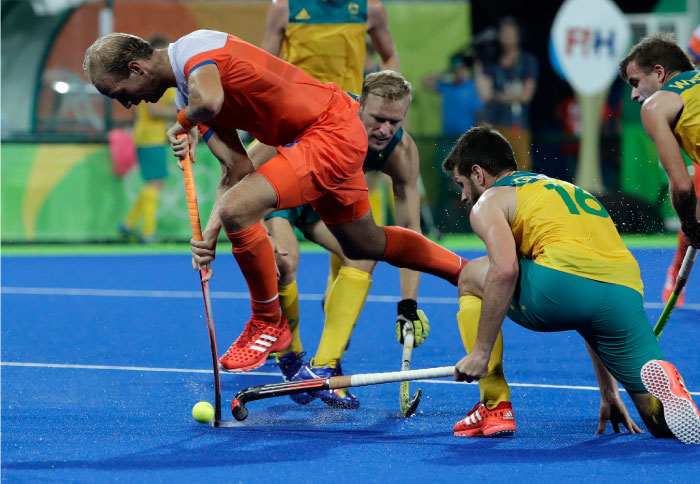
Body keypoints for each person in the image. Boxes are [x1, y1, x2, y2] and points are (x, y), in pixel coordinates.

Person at [83, 30, 467, 374]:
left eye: (119, 95)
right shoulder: (190, 93)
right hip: (323, 137)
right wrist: (209, 238)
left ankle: (269, 322)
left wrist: (182, 122)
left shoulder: (194, 50)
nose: (127, 106)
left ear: (136, 69)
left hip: (328, 131)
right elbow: (236, 170)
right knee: (363, 243)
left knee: (241, 209)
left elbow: (211, 102)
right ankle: (464, 271)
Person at [443, 125, 700, 443]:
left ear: (478, 174)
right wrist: (608, 391)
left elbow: (505, 270)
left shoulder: (490, 200)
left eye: (462, 184)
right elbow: (586, 303)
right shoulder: (566, 189)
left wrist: (480, 353)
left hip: (559, 286)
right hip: (624, 288)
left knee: (470, 277)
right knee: (660, 424)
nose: (465, 196)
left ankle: (494, 405)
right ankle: (672, 395)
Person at [248, 71, 430, 409]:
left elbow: (410, 234)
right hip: (281, 195)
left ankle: (325, 367)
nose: (386, 129)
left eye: (395, 120)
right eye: (378, 118)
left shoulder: (400, 151)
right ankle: (290, 361)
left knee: (365, 253)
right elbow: (249, 161)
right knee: (284, 259)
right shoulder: (321, 111)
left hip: (325, 206)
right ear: (359, 105)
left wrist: (409, 305)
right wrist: (239, 218)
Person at [619, 33, 700, 309]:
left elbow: (683, 187)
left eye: (635, 83)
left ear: (659, 72)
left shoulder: (656, 105)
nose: (633, 95)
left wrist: (690, 228)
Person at [119, 36, 176, 243]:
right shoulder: (153, 78)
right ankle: (148, 232)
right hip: (150, 137)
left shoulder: (148, 77)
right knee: (155, 183)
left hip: (148, 137)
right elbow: (154, 111)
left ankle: (129, 224)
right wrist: (180, 111)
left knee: (153, 182)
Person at [475, 17, 538, 172]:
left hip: (517, 125)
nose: (507, 36)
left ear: (518, 36)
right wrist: (477, 61)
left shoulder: (527, 61)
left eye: (511, 32)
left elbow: (526, 96)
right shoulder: (492, 63)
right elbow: (485, 95)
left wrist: (499, 96)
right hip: (494, 124)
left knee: (521, 170)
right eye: (504, 32)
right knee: (494, 171)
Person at [421, 53, 483, 138]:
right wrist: (443, 72)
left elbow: (478, 113)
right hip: (447, 136)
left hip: (466, 136)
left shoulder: (471, 86)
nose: (458, 72)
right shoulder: (446, 86)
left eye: (461, 69)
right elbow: (424, 82)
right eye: (455, 70)